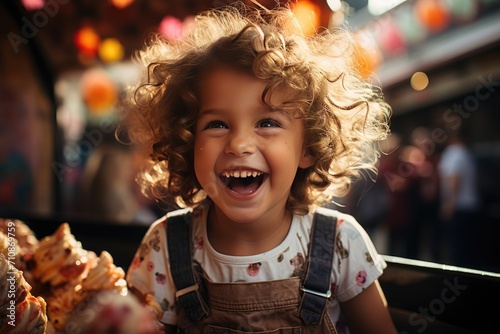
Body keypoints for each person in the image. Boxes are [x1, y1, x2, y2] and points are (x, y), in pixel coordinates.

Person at [119, 3, 396, 333]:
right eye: (217, 124)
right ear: (188, 141)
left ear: (307, 147)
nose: (239, 144)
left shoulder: (340, 243)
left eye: (267, 122)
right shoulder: (165, 245)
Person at [438, 123, 480, 268]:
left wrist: (449, 203)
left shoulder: (454, 154)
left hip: (458, 208)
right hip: (469, 206)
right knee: (467, 247)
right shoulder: (466, 153)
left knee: (459, 249)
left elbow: (454, 179)